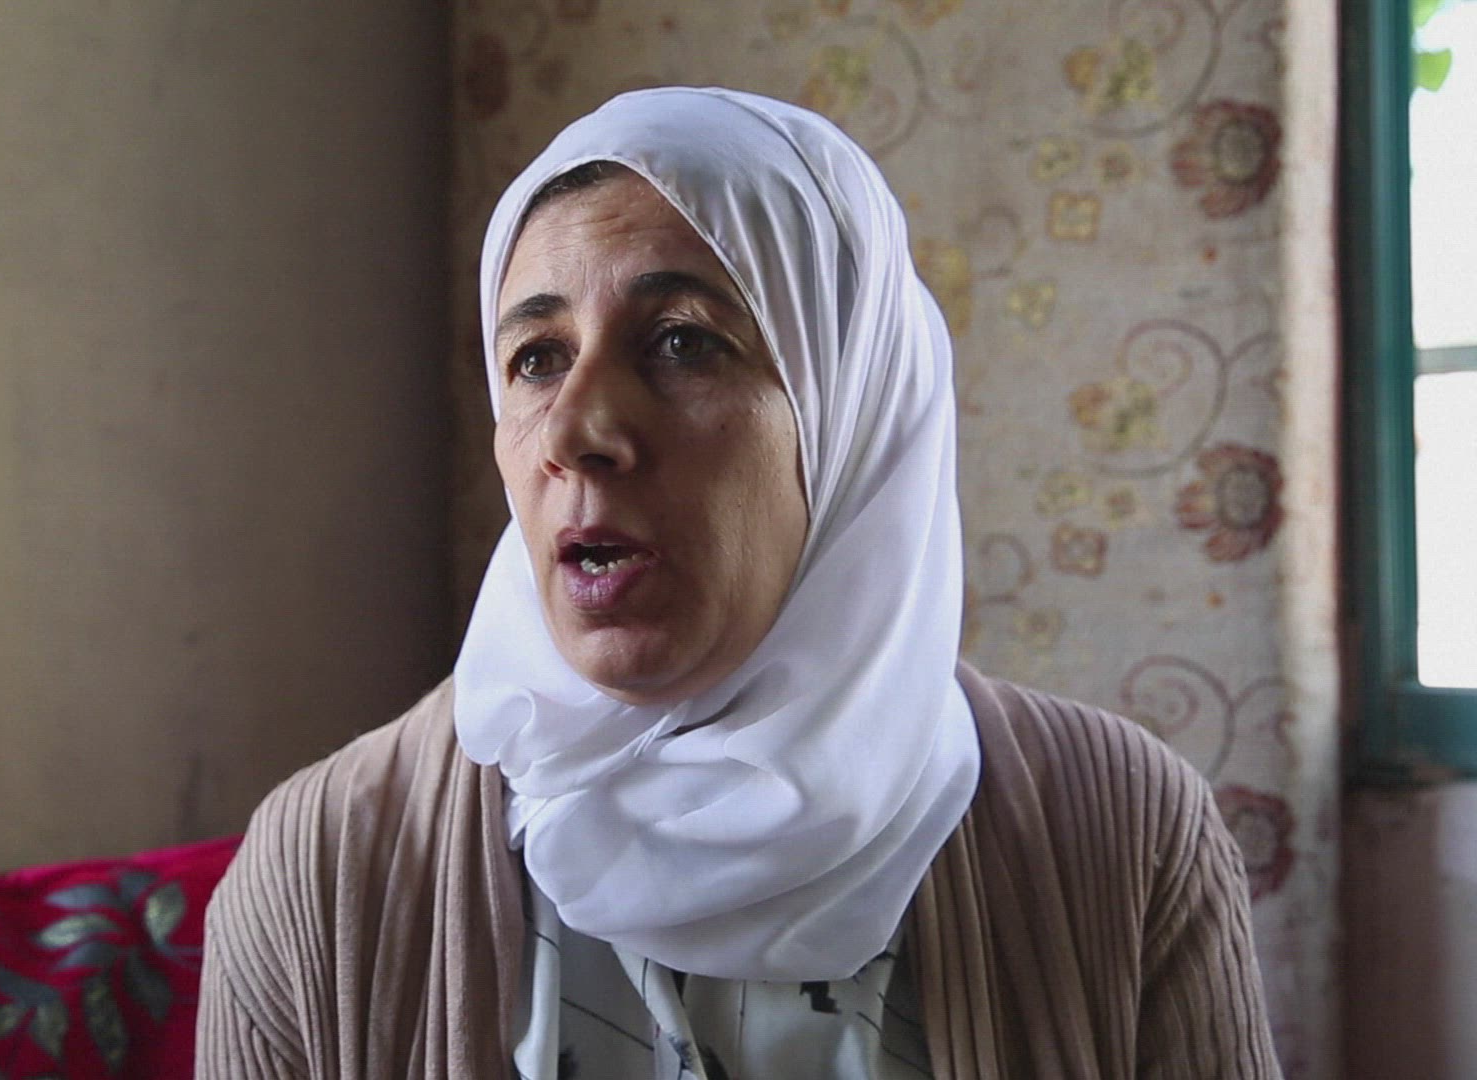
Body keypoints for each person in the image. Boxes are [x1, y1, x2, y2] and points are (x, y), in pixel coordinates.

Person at [197, 87, 1281, 1079]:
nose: (576, 432)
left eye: (681, 342)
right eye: (536, 358)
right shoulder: (324, 875)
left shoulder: (1120, 835)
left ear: (850, 414)